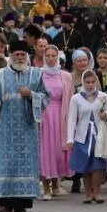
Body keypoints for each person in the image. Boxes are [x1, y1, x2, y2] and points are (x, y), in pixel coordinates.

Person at [0, 40, 49, 212]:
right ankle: (4, 202)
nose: (19, 58)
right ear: (10, 56)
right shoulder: (1, 75)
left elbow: (46, 98)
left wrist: (31, 94)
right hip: (4, 128)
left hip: (27, 128)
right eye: (16, 55)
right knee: (5, 164)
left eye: (22, 55)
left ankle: (22, 203)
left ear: (27, 56)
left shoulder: (36, 74)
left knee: (25, 163)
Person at [65, 70, 107, 204]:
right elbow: (72, 119)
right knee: (85, 165)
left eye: (92, 82)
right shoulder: (76, 98)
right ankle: (88, 193)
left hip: (99, 135)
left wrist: (105, 116)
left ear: (96, 82)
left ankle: (97, 192)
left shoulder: (103, 97)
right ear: (83, 82)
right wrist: (70, 138)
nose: (90, 85)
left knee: (98, 165)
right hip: (82, 136)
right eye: (87, 82)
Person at [38, 44, 71, 200]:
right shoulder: (38, 74)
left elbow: (70, 97)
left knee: (58, 149)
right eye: (48, 56)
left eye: (53, 56)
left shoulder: (65, 75)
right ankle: (45, 186)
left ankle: (56, 182)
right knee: (45, 149)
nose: (51, 59)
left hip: (60, 113)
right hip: (44, 114)